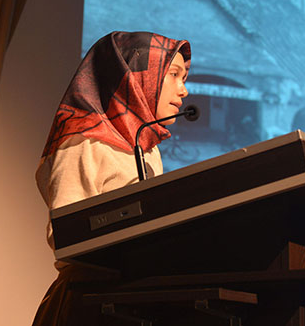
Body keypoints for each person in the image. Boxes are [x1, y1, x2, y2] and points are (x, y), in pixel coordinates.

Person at [32, 31, 191, 325]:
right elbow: (65, 234)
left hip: (135, 301)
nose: (184, 90)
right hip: (86, 304)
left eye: (185, 78)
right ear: (135, 77)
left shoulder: (148, 149)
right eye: (174, 75)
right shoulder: (84, 141)